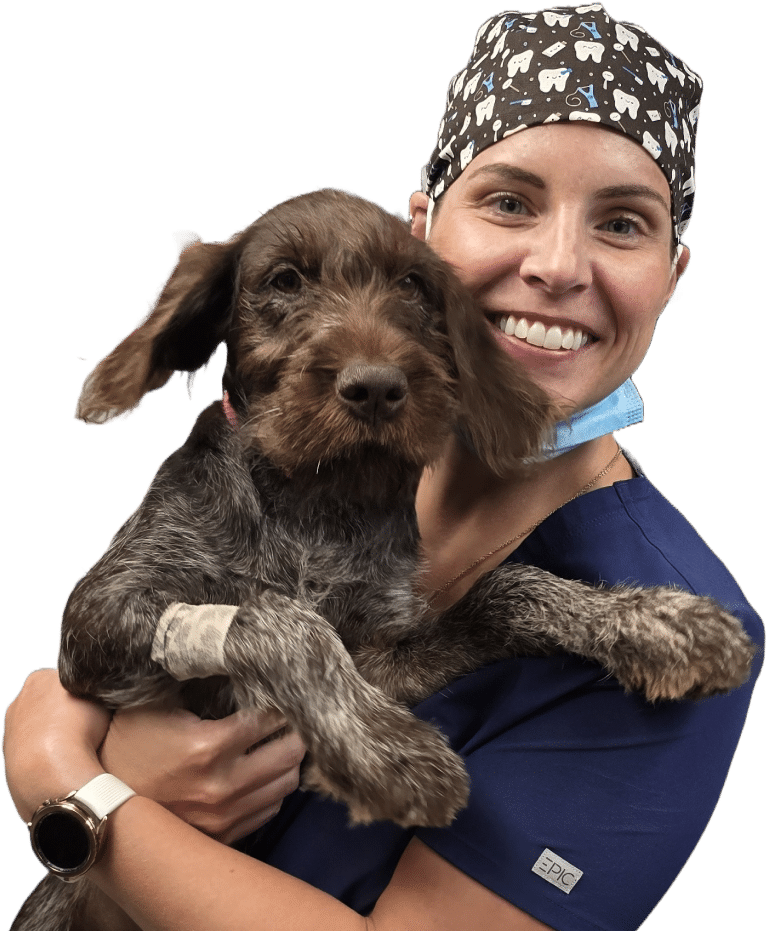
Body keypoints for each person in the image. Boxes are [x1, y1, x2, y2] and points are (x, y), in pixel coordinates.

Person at [4, 4, 764, 930]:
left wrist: (71, 782)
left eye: (622, 222)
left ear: (672, 274)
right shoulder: (328, 452)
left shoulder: (667, 595)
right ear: (426, 228)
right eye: (509, 201)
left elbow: (82, 741)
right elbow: (111, 640)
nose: (558, 266)